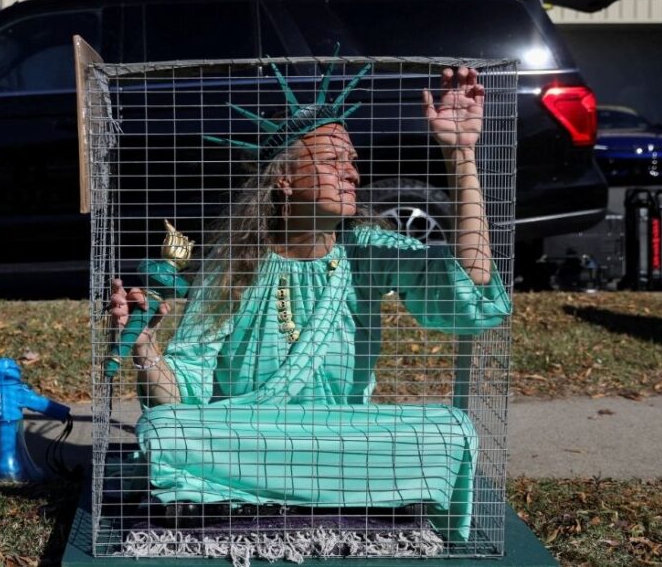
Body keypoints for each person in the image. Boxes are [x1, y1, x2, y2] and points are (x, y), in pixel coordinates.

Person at [107, 64, 511, 542]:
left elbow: (471, 286)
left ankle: (257, 502)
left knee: (449, 432)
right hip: (253, 443)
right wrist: (146, 348)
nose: (353, 174)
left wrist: (460, 153)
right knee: (162, 432)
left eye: (354, 161)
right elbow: (180, 400)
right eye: (333, 161)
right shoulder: (234, 267)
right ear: (284, 178)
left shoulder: (369, 252)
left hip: (345, 443)